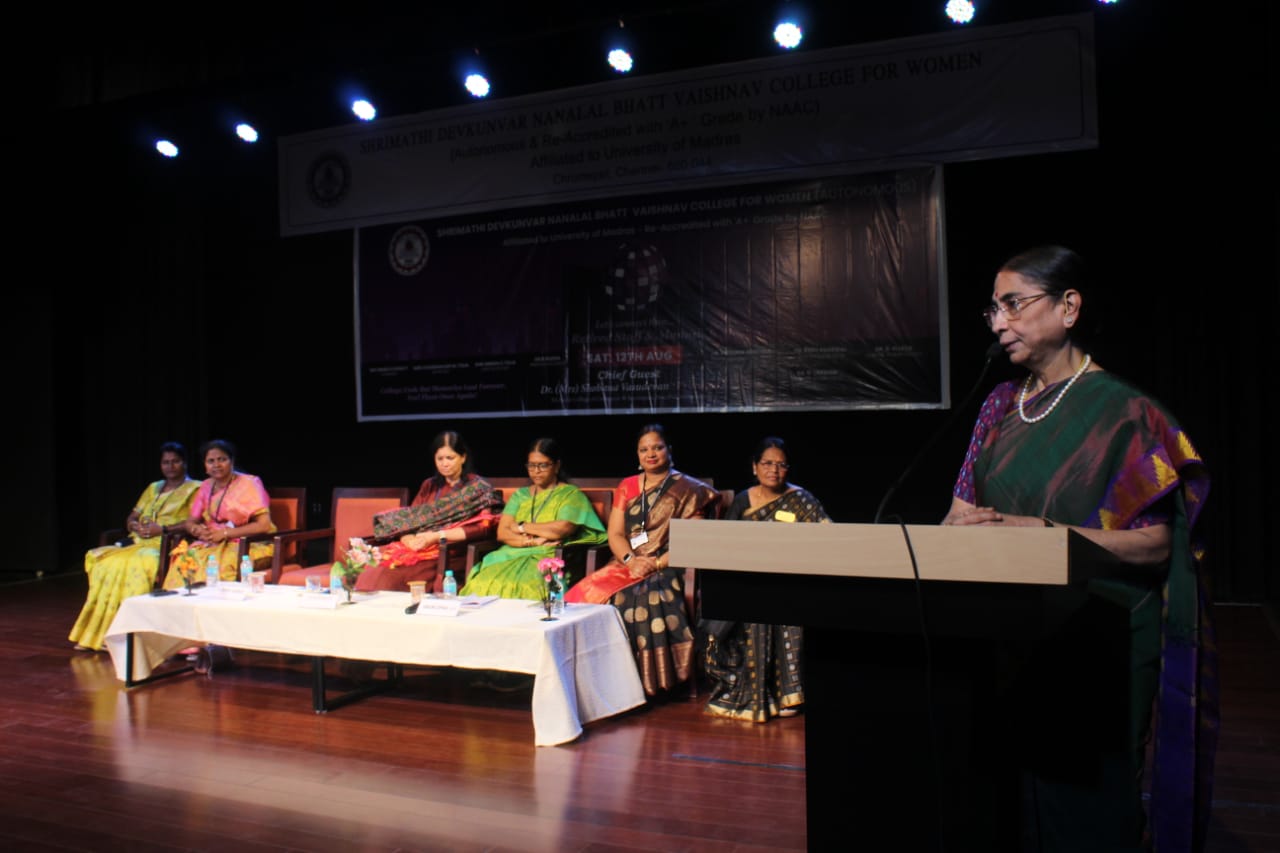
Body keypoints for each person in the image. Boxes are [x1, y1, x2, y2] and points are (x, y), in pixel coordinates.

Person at [942, 245, 1214, 852]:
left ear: (1068, 307)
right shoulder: (996, 405)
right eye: (993, 310)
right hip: (1004, 631)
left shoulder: (1129, 414)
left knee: (1088, 809)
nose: (999, 323)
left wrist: (1048, 536)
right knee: (1005, 797)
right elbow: (958, 514)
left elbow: (1158, 545)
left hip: (1099, 638)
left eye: (1013, 304)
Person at [565, 424, 719, 697]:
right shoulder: (627, 486)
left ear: (669, 450)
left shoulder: (690, 490)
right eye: (644, 449)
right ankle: (595, 680)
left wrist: (656, 564)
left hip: (670, 565)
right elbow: (615, 534)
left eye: (657, 447)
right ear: (637, 455)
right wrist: (630, 560)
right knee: (581, 597)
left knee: (640, 600)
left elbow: (691, 542)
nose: (651, 454)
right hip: (626, 563)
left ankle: (645, 682)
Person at [702, 437, 830, 722]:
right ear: (755, 467)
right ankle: (754, 693)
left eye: (781, 465)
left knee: (783, 609)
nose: (774, 470)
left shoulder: (802, 499)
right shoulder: (743, 500)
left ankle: (789, 694)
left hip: (791, 580)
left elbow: (826, 538)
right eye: (767, 463)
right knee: (742, 608)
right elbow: (726, 543)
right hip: (748, 580)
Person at [69, 442, 201, 651]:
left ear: (184, 463)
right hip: (138, 542)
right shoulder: (153, 487)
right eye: (165, 462)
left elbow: (194, 522)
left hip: (166, 544)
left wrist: (163, 529)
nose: (170, 466)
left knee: (138, 563)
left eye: (175, 461)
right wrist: (134, 525)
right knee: (104, 560)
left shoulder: (196, 488)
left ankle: (128, 637)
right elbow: (132, 516)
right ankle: (99, 634)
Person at [460, 437, 607, 599]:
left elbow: (561, 529)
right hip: (511, 554)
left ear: (557, 466)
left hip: (549, 556)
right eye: (531, 465)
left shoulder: (570, 495)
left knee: (527, 586)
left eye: (543, 465)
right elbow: (503, 533)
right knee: (481, 582)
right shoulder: (520, 495)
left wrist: (522, 527)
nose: (536, 471)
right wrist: (532, 542)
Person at [359, 430, 503, 592]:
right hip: (418, 548)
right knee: (372, 572)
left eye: (450, 458)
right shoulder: (429, 485)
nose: (445, 463)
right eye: (440, 459)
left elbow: (484, 528)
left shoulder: (478, 488)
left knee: (391, 578)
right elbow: (409, 521)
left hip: (451, 552)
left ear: (463, 457)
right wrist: (409, 540)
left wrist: (436, 536)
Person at [161, 439, 276, 589]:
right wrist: (196, 530)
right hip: (212, 542)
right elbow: (191, 521)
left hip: (249, 544)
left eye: (222, 459)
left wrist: (225, 533)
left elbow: (264, 525)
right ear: (205, 465)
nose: (216, 465)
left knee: (218, 565)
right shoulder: (205, 486)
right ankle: (185, 603)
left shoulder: (249, 483)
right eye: (211, 461)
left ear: (232, 461)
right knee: (186, 561)